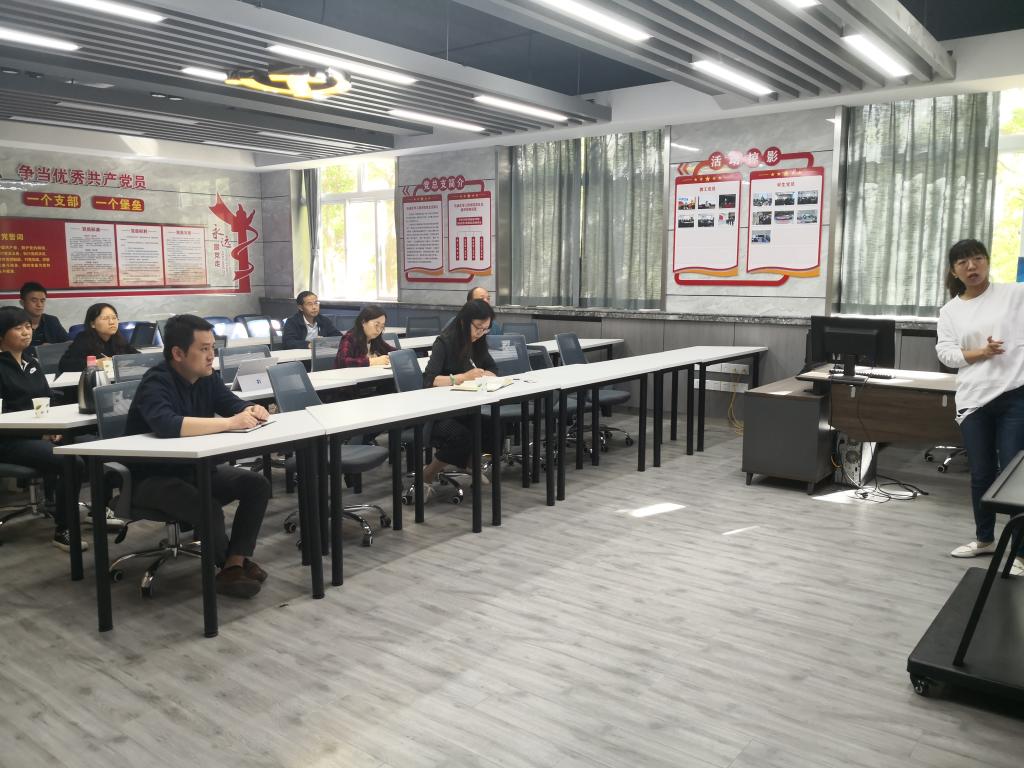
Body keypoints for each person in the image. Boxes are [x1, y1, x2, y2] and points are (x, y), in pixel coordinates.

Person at [124, 314, 273, 598]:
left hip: (195, 469)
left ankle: (234, 563)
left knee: (257, 485)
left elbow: (231, 404)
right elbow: (167, 424)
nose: (211, 355)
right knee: (207, 506)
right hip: (152, 478)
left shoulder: (207, 377)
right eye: (203, 349)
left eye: (212, 348)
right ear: (178, 353)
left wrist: (251, 408)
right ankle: (229, 569)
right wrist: (229, 423)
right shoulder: (155, 382)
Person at [936, 239, 1024, 576]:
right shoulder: (951, 311)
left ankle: (1020, 552)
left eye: (977, 259)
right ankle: (984, 539)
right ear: (953, 271)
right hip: (974, 400)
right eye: (963, 262)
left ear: (987, 261)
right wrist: (980, 353)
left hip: (1015, 395)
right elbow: (946, 354)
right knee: (982, 474)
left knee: (1014, 476)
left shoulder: (1014, 294)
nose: (971, 266)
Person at [0, 306, 86, 552]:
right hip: (9, 440)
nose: (26, 332)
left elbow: (47, 399)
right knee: (71, 462)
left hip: (39, 432)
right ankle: (64, 528)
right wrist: (41, 433)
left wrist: (54, 427)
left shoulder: (31, 361)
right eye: (18, 328)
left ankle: (97, 510)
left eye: (28, 326)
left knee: (91, 449)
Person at [420, 299, 497, 494]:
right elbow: (429, 380)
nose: (481, 333)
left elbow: (492, 367)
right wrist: (462, 377)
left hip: (464, 408)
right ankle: (427, 474)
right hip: (439, 412)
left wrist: (488, 375)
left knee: (493, 427)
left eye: (485, 329)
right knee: (461, 436)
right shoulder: (445, 342)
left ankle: (470, 464)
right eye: (478, 327)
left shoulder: (478, 342)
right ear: (464, 322)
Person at [57, 302, 139, 374]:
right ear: (92, 324)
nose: (112, 322)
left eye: (114, 318)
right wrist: (95, 363)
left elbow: (138, 357)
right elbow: (64, 365)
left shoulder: (118, 337)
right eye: (105, 318)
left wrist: (122, 361)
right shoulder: (83, 338)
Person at [19, 281, 69, 349]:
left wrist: (52, 348)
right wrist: (41, 350)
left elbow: (68, 343)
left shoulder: (52, 321)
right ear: (22, 302)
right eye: (34, 300)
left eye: (42, 301)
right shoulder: (15, 323)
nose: (39, 305)